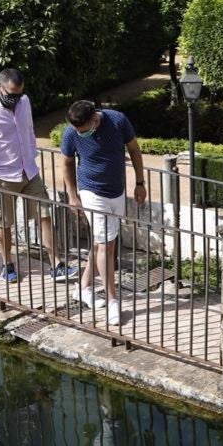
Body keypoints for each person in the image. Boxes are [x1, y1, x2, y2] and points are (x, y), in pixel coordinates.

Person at [0, 68, 75, 285]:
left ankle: (56, 264)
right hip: (2, 175)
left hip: (29, 171)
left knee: (44, 215)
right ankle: (7, 264)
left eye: (19, 94)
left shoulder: (24, 102)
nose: (15, 99)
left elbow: (28, 130)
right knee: (4, 223)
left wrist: (31, 152)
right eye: (11, 95)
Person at [61, 101, 146, 326]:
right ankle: (112, 301)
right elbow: (67, 163)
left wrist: (140, 183)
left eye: (84, 130)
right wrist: (72, 195)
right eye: (78, 131)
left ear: (95, 120)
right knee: (107, 245)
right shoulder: (71, 132)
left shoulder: (117, 120)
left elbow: (134, 149)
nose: (80, 134)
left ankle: (83, 287)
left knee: (102, 243)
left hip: (116, 190)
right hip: (91, 191)